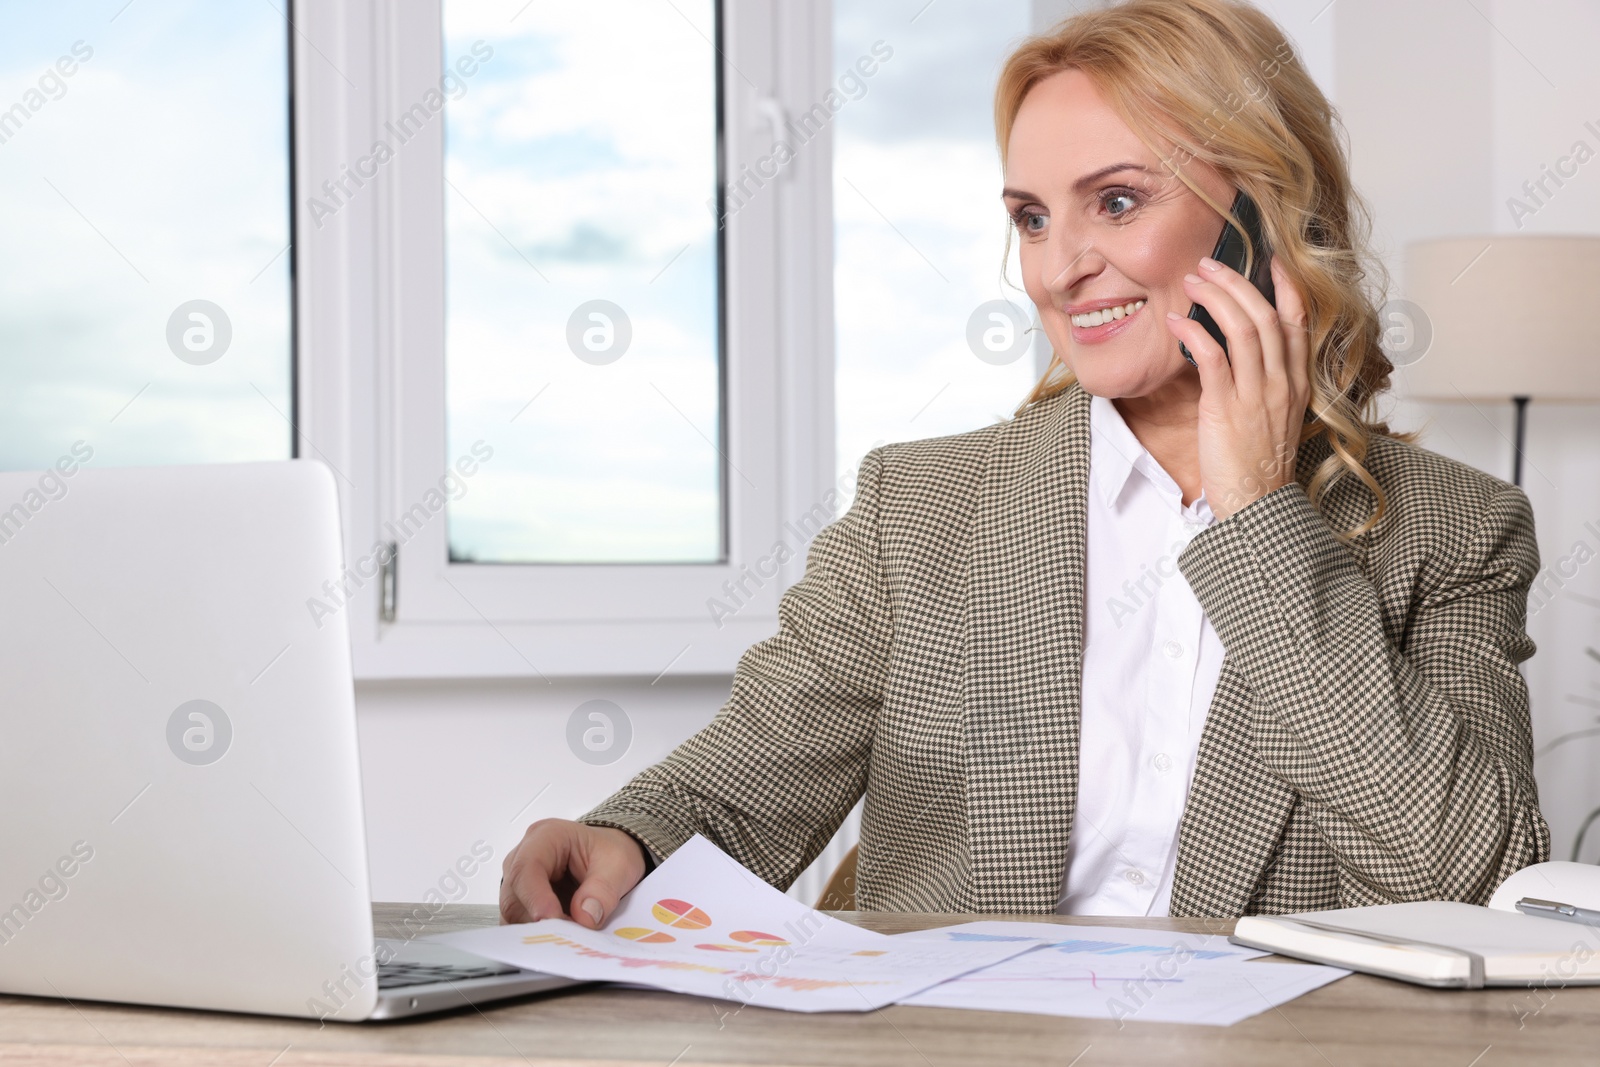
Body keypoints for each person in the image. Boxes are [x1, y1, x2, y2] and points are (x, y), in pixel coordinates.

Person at [501, 0, 1548, 927]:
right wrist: (624, 841)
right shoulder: (917, 507)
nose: (1056, 266)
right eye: (1031, 216)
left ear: (1261, 217)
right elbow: (740, 786)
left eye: (1118, 202)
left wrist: (1259, 519)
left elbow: (1470, 877)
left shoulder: (1454, 531)